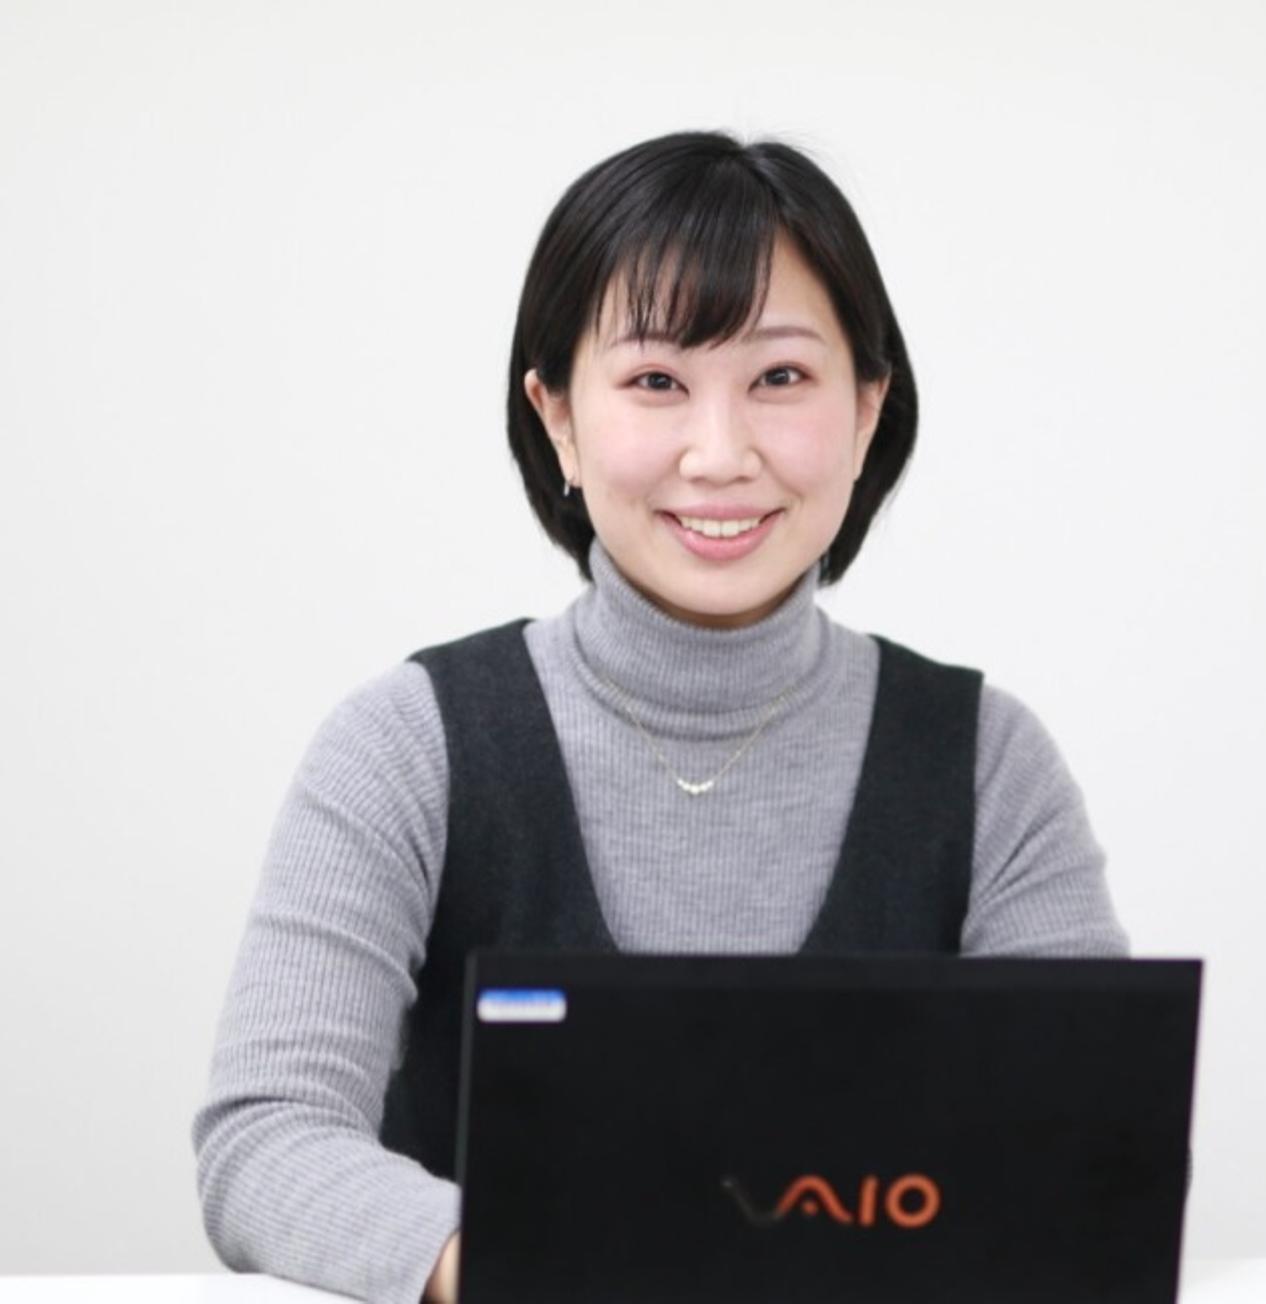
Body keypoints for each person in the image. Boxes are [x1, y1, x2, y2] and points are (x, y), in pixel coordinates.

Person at [189, 130, 1129, 1304]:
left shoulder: (988, 761)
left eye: (780, 378)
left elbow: (1087, 1153)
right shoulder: (406, 742)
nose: (719, 454)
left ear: (867, 409)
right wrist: (541, 1263)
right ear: (558, 418)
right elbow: (265, 1137)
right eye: (655, 382)